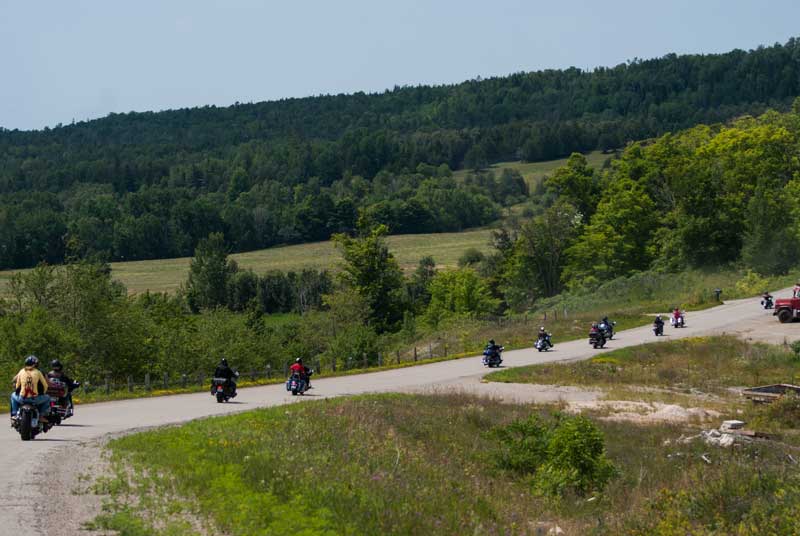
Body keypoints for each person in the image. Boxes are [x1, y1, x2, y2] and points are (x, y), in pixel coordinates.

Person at [10, 355, 50, 423]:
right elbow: (46, 385)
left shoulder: (22, 371)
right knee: (48, 398)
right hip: (35, 398)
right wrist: (44, 392)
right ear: (36, 364)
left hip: (22, 398)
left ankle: (14, 414)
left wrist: (17, 390)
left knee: (12, 395)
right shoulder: (39, 372)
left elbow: (16, 382)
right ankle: (41, 416)